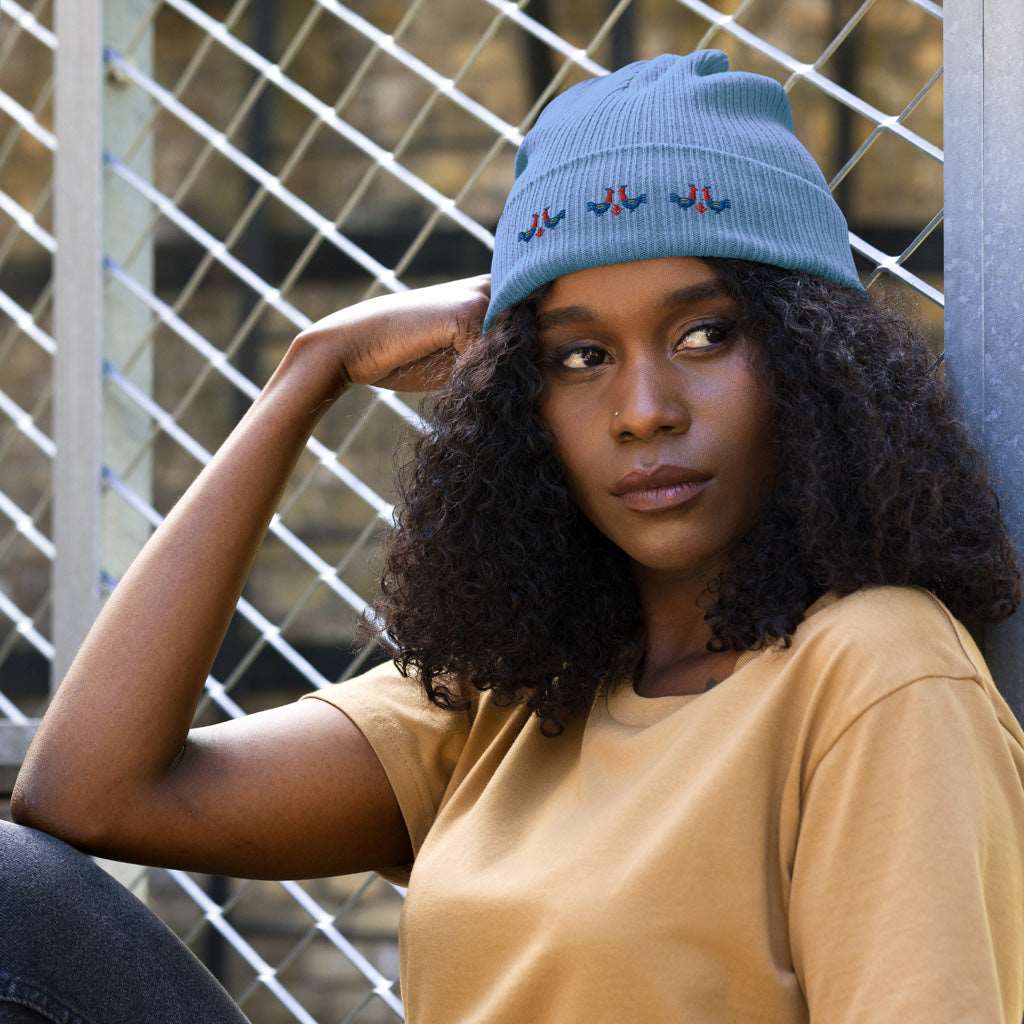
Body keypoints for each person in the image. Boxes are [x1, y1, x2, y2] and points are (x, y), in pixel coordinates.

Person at [3, 49, 1023, 1024]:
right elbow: (89, 797)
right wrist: (309, 373)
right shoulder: (518, 693)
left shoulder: (875, 670)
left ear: (818, 357)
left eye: (705, 333)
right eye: (578, 354)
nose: (642, 409)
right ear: (519, 406)